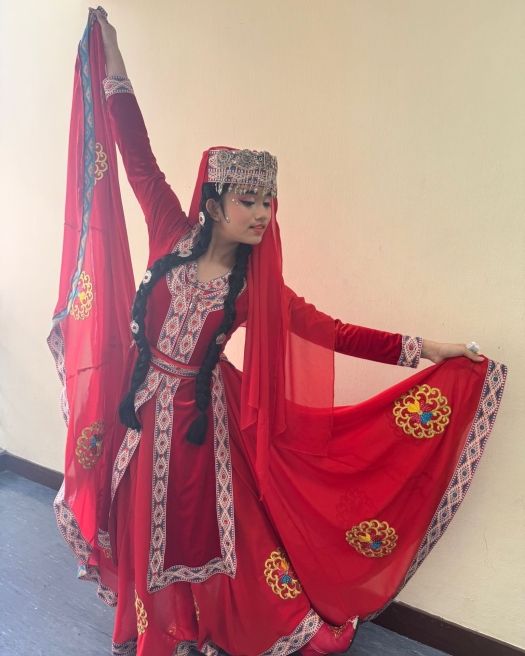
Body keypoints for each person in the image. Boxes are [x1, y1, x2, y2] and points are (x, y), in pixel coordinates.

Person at [50, 8, 507, 656]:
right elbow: (136, 153)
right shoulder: (169, 231)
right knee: (141, 521)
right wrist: (114, 58)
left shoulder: (252, 291)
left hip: (199, 426)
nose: (263, 213)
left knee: (194, 531)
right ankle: (154, 631)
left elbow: (334, 332)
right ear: (213, 203)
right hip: (139, 413)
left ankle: (198, 627)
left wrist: (425, 349)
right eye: (248, 200)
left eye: (268, 201)